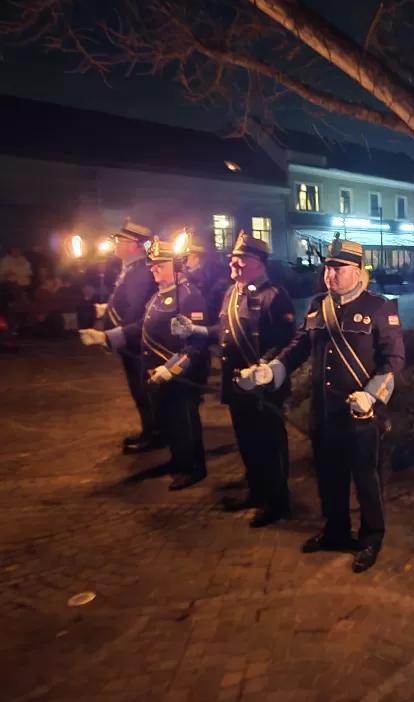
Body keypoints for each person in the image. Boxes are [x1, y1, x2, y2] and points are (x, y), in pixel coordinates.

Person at [253, 239, 404, 573]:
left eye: (338, 269)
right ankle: (336, 530)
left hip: (360, 412)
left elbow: (394, 361)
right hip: (324, 411)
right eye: (328, 268)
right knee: (329, 476)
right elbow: (299, 345)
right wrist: (275, 368)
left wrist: (372, 394)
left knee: (366, 479)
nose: (329, 275)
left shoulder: (379, 307)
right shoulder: (318, 304)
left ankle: (371, 536)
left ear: (357, 271)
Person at [172, 231, 297, 527]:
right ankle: (256, 491)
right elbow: (223, 330)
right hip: (236, 385)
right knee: (247, 442)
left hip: (263, 387)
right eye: (233, 259)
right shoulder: (233, 292)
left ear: (258, 263)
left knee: (270, 444)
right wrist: (196, 329)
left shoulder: (275, 297)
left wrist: (263, 368)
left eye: (240, 259)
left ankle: (277, 502)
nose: (233, 264)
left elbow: (284, 341)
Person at [80, 237, 210, 490]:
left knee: (185, 421)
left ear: (175, 267)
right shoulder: (159, 297)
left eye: (159, 265)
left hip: (180, 377)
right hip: (158, 374)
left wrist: (171, 368)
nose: (153, 269)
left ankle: (193, 467)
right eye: (152, 265)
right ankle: (178, 459)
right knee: (170, 421)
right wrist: (106, 337)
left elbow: (196, 343)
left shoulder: (190, 297)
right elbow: (140, 327)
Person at [81, 220, 160, 453]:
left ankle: (154, 433)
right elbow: (126, 302)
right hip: (130, 342)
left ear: (134, 245)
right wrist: (107, 309)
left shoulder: (140, 272)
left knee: (143, 390)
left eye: (120, 240)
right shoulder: (131, 267)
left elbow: (137, 311)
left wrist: (109, 336)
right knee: (139, 389)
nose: (115, 243)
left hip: (136, 343)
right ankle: (151, 430)